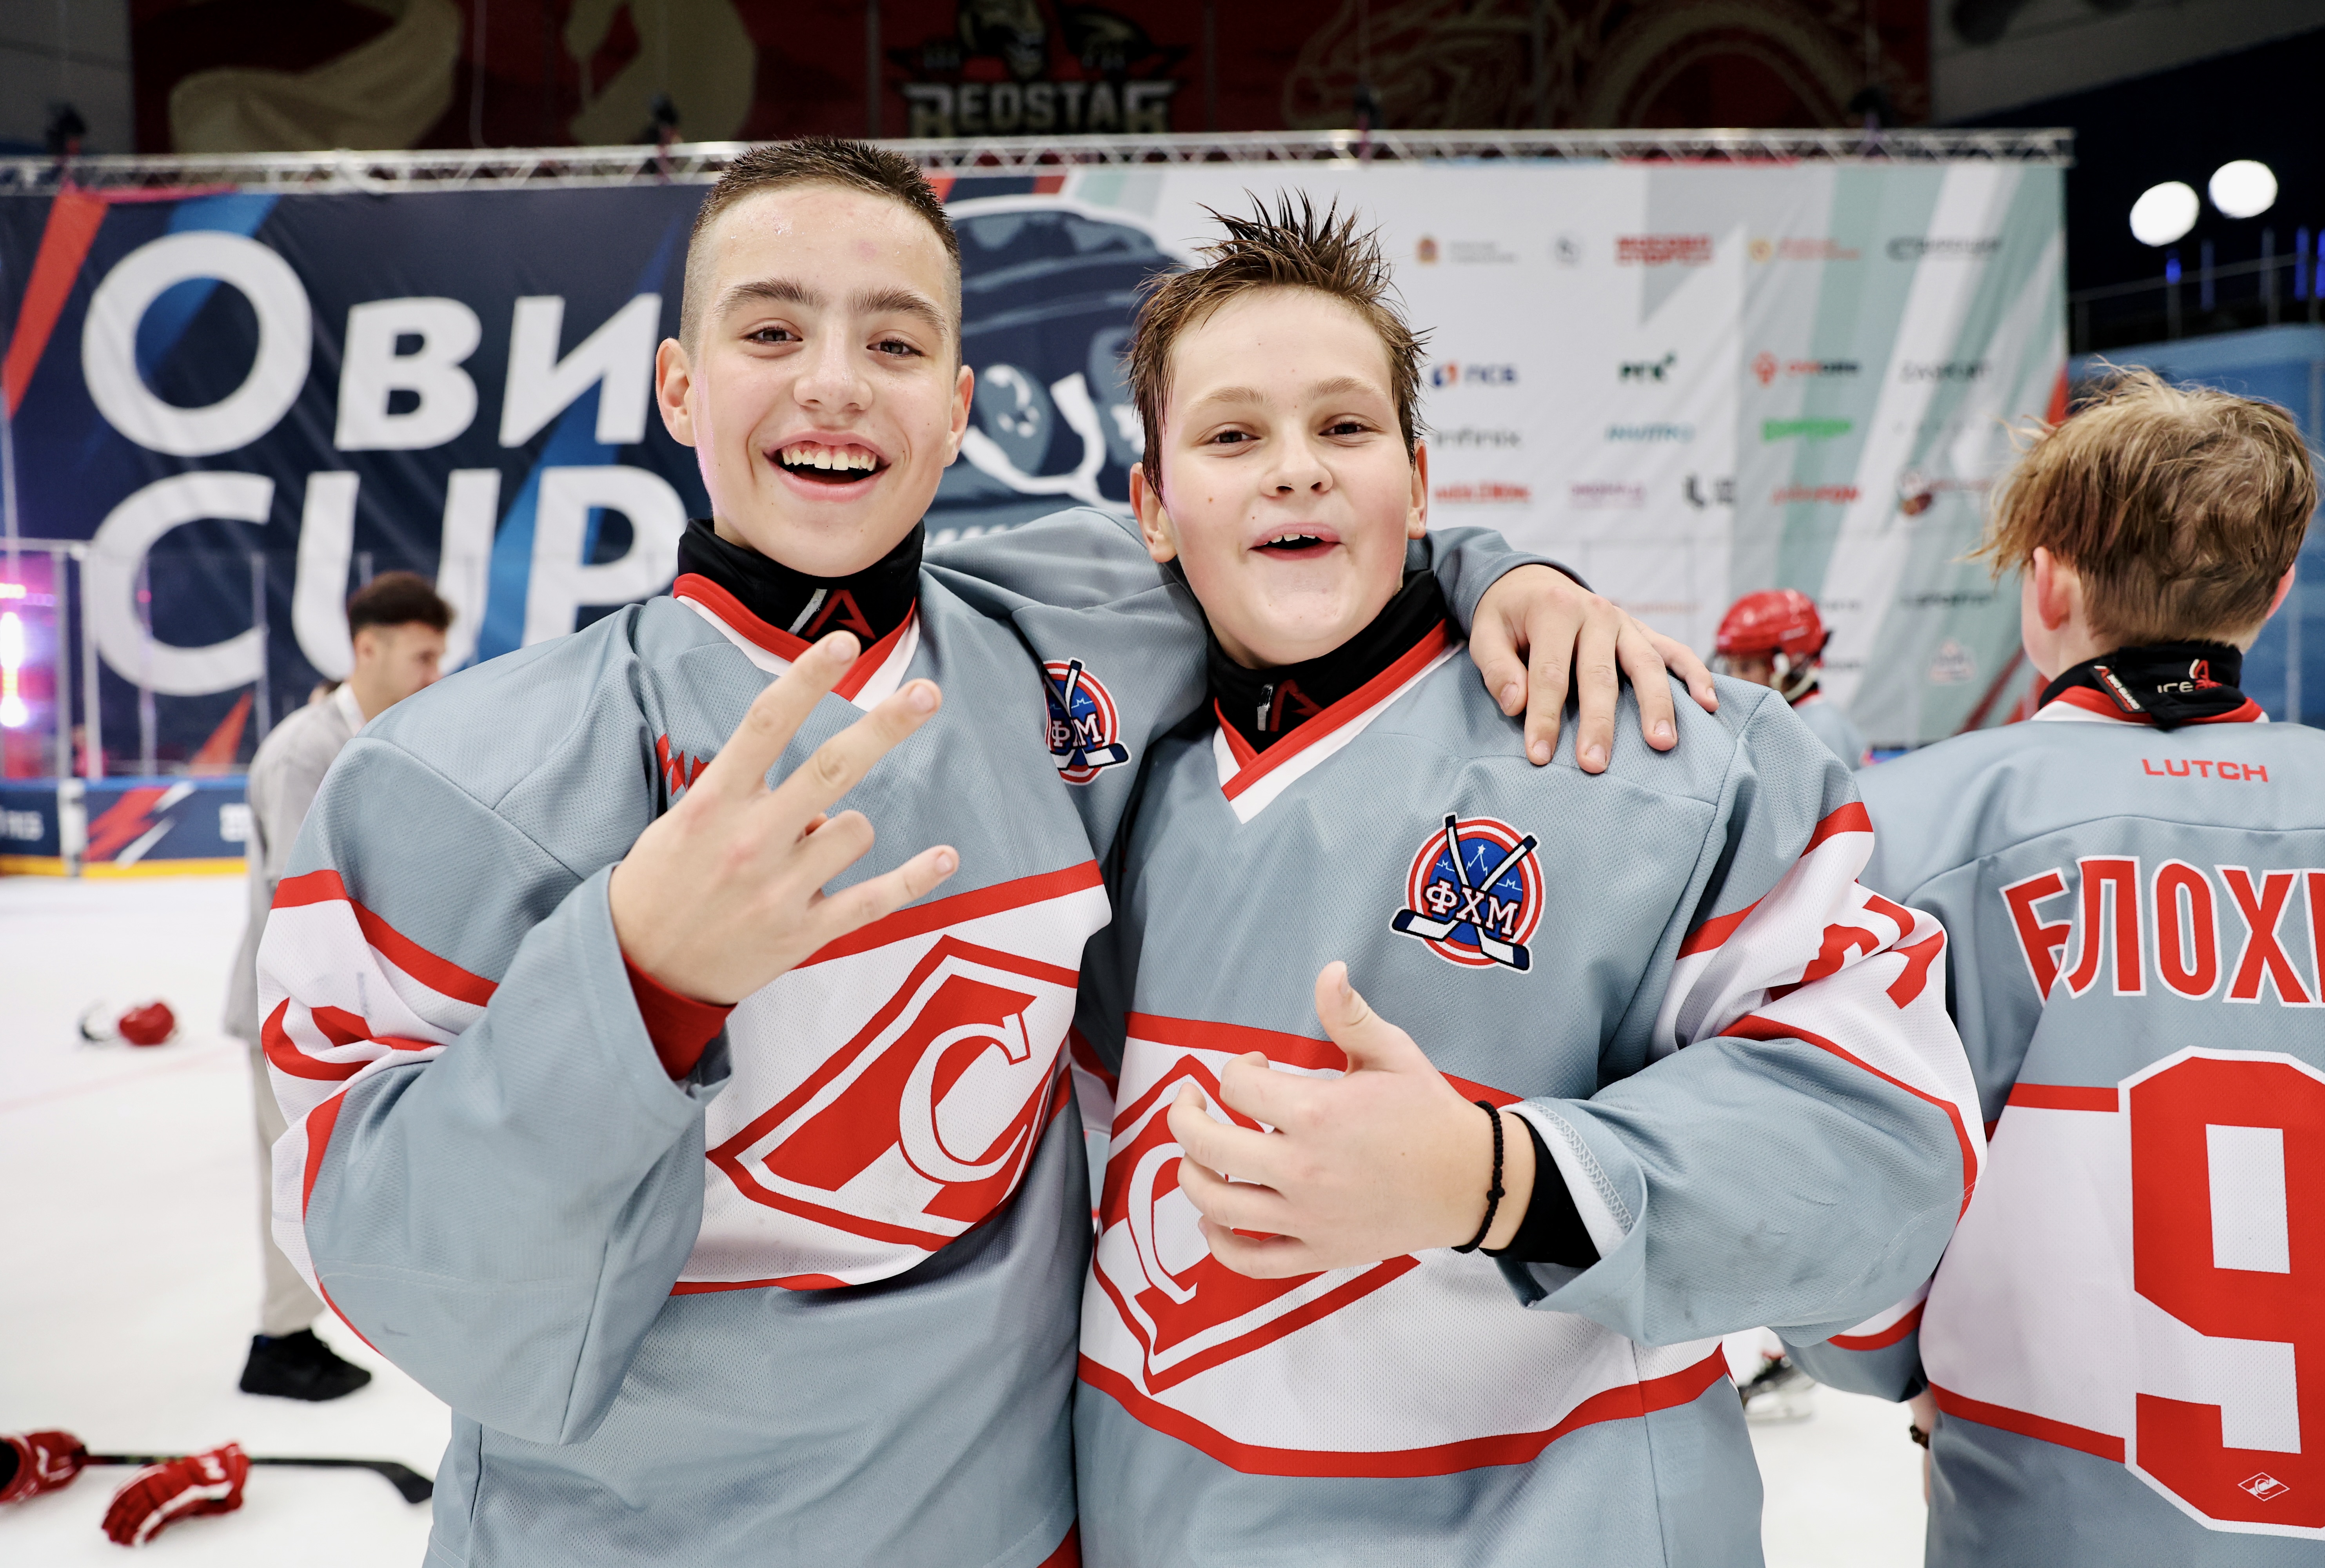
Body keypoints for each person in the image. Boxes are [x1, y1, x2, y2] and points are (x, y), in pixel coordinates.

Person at [255, 139, 1707, 1567]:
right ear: (680, 386)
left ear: (954, 409)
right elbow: (400, 1281)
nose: (834, 381)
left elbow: (1300, 534)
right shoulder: (456, 783)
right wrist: (639, 981)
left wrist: (1503, 574)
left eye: (893, 342)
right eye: (772, 331)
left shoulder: (1070, 639)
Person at [1070, 195, 1982, 1566]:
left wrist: (1497, 1180)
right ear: (1152, 506)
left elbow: (1890, 1161)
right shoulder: (1099, 774)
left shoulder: (1657, 753)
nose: (1294, 470)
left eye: (1344, 428)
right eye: (1232, 436)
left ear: (1418, 483)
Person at [1786, 368, 2325, 1564]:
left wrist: (1893, 1368)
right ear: (2277, 587)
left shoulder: (1906, 828)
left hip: (2051, 1500)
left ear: (2044, 582)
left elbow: (1832, 1189)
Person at [223, 569, 449, 1401]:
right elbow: (304, 895)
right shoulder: (303, 751)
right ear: (368, 648)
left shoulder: (388, 738)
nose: (434, 675)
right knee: (299, 1177)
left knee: (338, 1177)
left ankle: (301, 1328)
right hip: (290, 1013)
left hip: (346, 1007)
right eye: (422, 657)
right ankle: (279, 1342)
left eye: (439, 658)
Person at [1714, 588, 1867, 769]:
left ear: (1788, 664)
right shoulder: (1789, 719)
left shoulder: (1818, 729)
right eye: (1730, 668)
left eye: (1746, 668)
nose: (1734, 678)